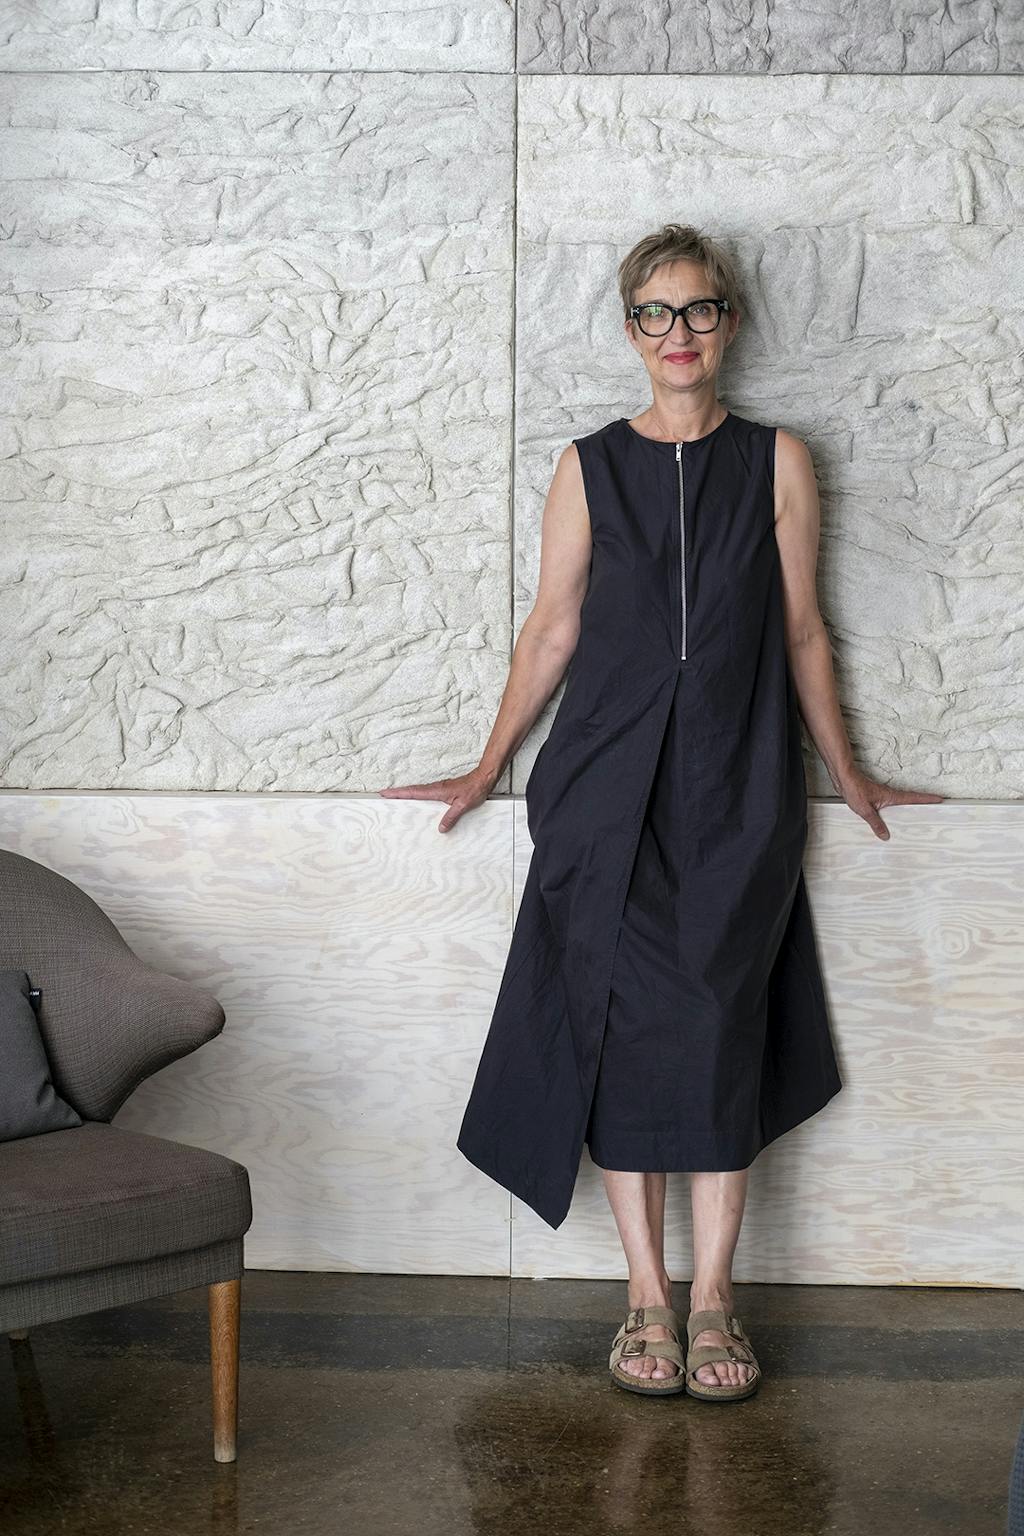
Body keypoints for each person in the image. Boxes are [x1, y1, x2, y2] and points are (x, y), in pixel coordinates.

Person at [382, 223, 945, 1402]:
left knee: (722, 1023)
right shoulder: (587, 466)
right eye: (654, 312)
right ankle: (647, 1295)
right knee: (621, 1027)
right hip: (602, 787)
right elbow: (552, 631)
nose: (676, 332)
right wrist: (487, 767)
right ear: (629, 329)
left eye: (697, 310)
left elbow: (802, 630)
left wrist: (845, 770)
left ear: (727, 323)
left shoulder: (777, 460)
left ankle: (717, 1296)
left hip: (739, 784)